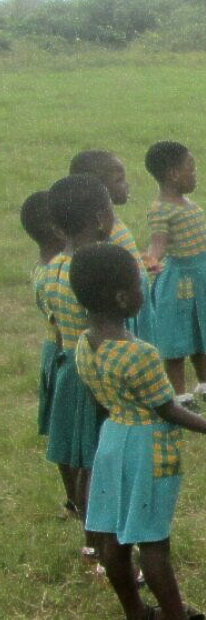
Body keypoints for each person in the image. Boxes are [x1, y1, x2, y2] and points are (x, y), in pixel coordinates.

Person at [72, 242, 206, 620]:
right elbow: (169, 410)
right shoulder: (139, 353)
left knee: (114, 535)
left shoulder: (84, 345)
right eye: (139, 284)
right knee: (153, 540)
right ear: (122, 297)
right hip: (147, 448)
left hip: (112, 442)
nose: (145, 289)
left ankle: (135, 613)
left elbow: (102, 401)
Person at [42, 175, 116, 565]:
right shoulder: (93, 268)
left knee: (87, 461)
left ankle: (94, 542)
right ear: (103, 218)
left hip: (68, 363)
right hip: (95, 368)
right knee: (95, 464)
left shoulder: (51, 267)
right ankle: (101, 547)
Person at [143, 141, 206, 405]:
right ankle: (180, 395)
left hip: (202, 282)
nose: (195, 175)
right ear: (173, 174)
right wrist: (151, 260)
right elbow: (159, 242)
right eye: (191, 169)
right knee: (178, 338)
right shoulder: (161, 209)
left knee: (200, 332)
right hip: (182, 285)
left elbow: (202, 240)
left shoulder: (188, 205)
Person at [24, 190, 81, 521]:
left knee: (62, 432)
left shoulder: (43, 267)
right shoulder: (56, 274)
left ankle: (74, 499)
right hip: (64, 353)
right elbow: (63, 327)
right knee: (69, 434)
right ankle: (77, 500)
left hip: (54, 353)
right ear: (59, 229)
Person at [69, 150, 154, 341]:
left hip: (134, 296)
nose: (127, 185)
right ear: (97, 190)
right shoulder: (102, 231)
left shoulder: (109, 222)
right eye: (119, 180)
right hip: (124, 307)